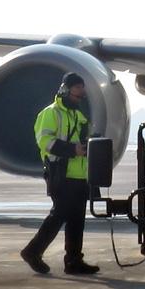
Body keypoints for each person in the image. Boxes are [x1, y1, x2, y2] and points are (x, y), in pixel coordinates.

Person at [20, 73, 100, 275]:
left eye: (82, 90)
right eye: (78, 89)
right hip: (61, 174)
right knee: (59, 215)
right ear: (65, 90)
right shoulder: (51, 113)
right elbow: (45, 141)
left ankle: (73, 260)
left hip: (80, 175)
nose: (81, 94)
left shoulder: (78, 115)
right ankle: (32, 251)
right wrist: (73, 150)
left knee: (76, 219)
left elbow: (85, 140)